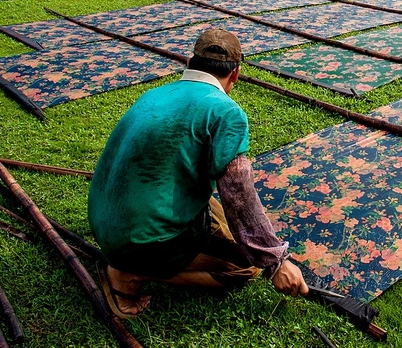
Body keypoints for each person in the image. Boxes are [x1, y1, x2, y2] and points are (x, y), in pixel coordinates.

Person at [88, 29, 308, 319]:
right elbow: (238, 195)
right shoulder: (225, 112)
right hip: (137, 242)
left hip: (104, 221)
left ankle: (139, 256)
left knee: (222, 225)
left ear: (189, 62)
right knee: (246, 267)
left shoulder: (153, 94)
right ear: (236, 75)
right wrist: (275, 261)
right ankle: (128, 275)